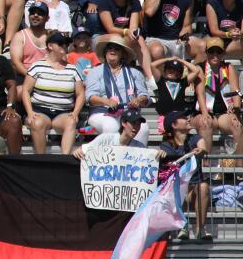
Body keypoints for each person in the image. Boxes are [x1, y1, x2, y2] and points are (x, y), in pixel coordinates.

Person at [21, 31, 84, 154]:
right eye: (61, 44)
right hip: (40, 110)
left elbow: (81, 94)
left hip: (63, 112)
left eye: (66, 44)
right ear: (50, 46)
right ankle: (41, 161)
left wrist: (75, 113)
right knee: (37, 122)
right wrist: (29, 112)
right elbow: (25, 90)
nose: (65, 46)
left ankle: (64, 160)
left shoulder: (72, 69)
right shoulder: (37, 66)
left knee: (71, 121)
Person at [85, 34, 152, 145]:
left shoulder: (135, 73)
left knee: (143, 127)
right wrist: (107, 101)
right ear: (105, 52)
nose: (112, 51)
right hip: (103, 113)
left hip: (129, 113)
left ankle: (138, 158)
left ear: (123, 54)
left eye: (117, 49)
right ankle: (112, 159)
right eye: (109, 48)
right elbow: (91, 97)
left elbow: (144, 95)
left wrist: (139, 100)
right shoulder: (95, 72)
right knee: (111, 126)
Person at [157, 111, 211, 241]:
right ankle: (182, 226)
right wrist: (161, 154)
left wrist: (201, 150)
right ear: (174, 125)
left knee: (203, 186)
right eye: (182, 118)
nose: (187, 119)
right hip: (177, 191)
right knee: (175, 186)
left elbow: (202, 147)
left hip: (193, 191)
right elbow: (164, 157)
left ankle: (200, 229)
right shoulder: (167, 145)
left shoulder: (195, 138)